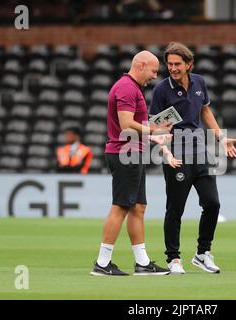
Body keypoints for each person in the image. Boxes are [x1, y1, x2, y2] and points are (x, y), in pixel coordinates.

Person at [150, 42, 236, 274]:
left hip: (201, 152)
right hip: (176, 154)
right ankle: (173, 258)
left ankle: (202, 254)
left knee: (212, 203)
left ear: (189, 64)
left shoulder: (199, 82)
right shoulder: (161, 89)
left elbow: (205, 111)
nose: (172, 68)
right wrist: (166, 152)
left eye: (177, 64)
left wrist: (221, 137)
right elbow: (154, 126)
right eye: (169, 64)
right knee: (175, 209)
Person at [91, 50, 180, 276]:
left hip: (132, 151)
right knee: (120, 206)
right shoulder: (127, 88)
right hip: (125, 153)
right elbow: (126, 125)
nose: (154, 75)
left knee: (138, 207)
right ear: (140, 65)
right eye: (152, 70)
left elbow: (133, 126)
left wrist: (153, 136)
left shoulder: (131, 88)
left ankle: (142, 263)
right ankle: (102, 263)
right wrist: (154, 129)